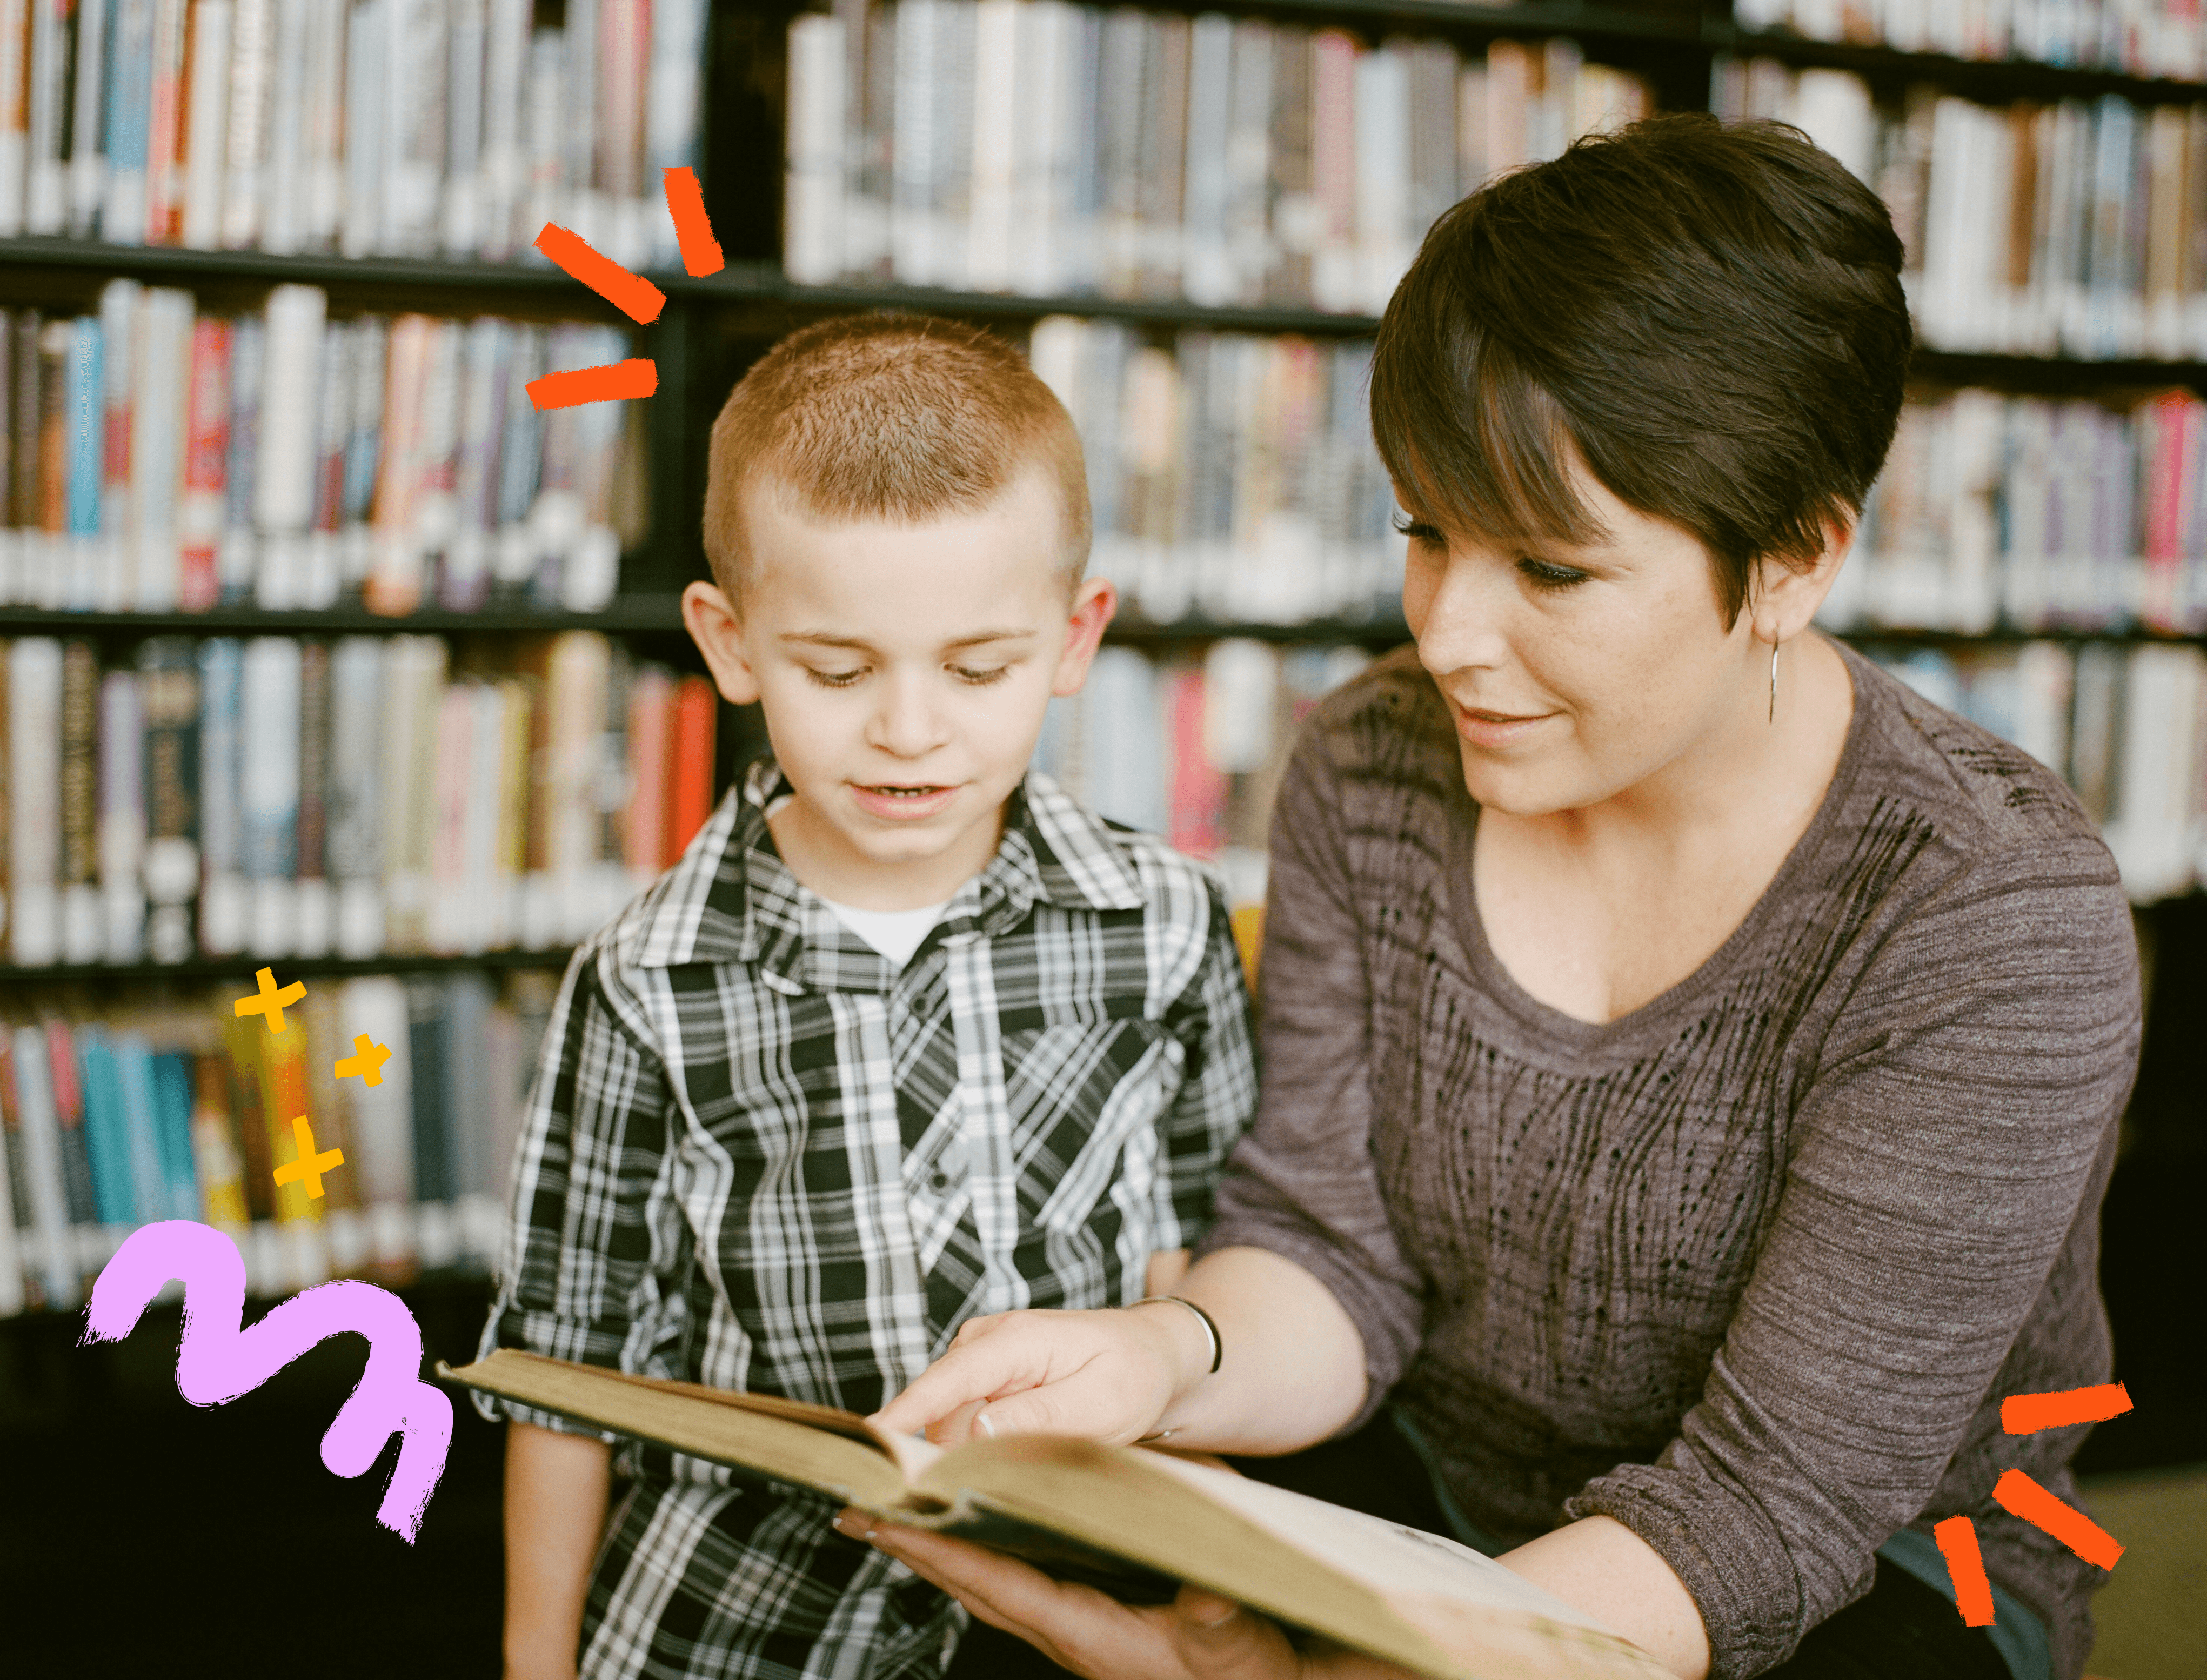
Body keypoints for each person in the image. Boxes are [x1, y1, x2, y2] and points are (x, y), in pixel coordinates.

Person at [855, 116, 2143, 1680]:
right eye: (1427, 530)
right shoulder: (1375, 760)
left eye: (1550, 570)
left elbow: (1769, 1506)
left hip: (1880, 1564)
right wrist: (1160, 1355)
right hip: (1435, 1490)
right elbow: (1332, 1251)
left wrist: (1334, 1672)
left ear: (1794, 561)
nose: (1450, 631)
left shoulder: (1990, 910)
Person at [476, 314, 1258, 1680]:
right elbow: (562, 1367)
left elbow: (1207, 1256)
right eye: (838, 672)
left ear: (1075, 639)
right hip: (741, 1618)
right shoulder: (648, 979)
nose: (909, 729)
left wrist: (1216, 1574)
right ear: (728, 645)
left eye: (977, 667)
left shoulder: (1164, 922)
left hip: (1085, 1603)